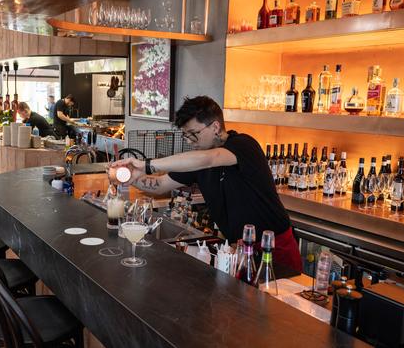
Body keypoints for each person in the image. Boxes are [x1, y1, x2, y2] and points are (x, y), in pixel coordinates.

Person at [109, 96, 302, 271]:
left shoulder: (243, 145)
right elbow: (160, 184)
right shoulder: (197, 160)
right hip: (239, 250)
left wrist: (146, 164)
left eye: (194, 133)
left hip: (274, 248)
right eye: (186, 135)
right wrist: (132, 178)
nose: (190, 141)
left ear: (216, 127)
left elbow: (208, 159)